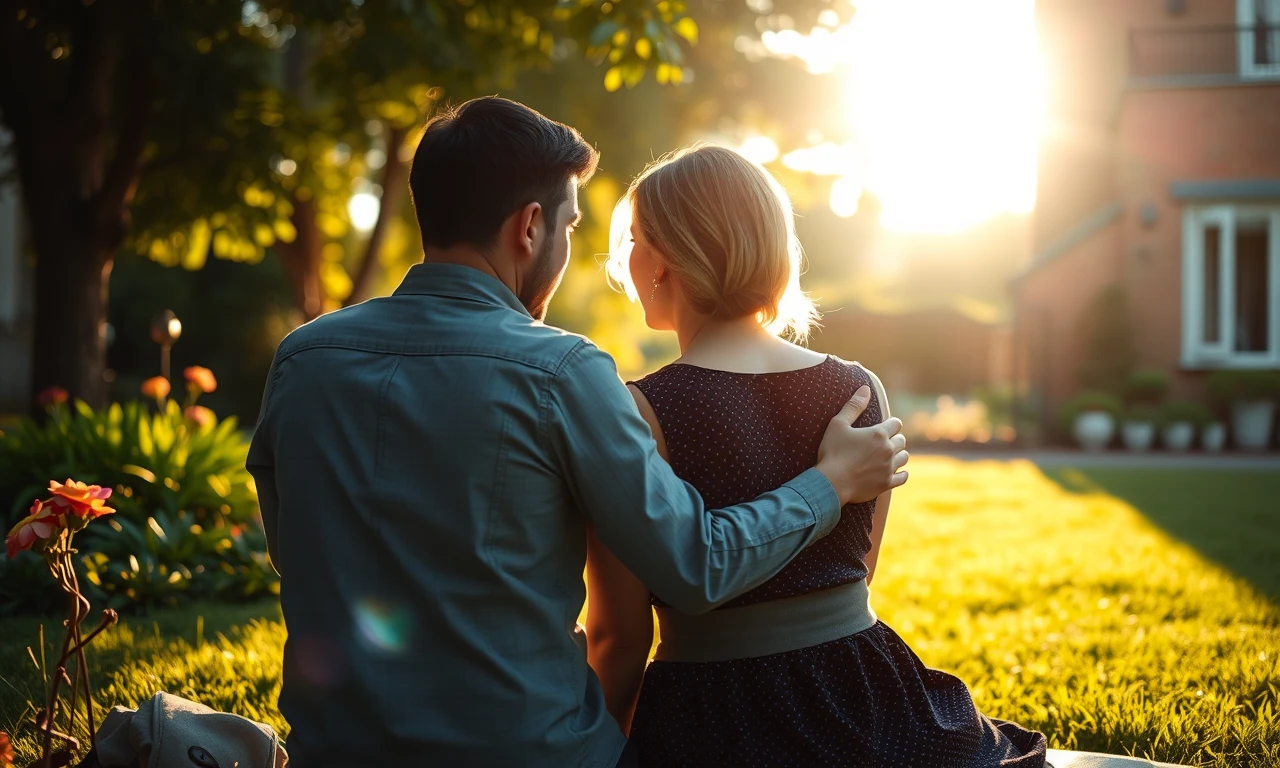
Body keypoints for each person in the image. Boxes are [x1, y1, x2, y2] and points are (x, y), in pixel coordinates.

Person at [245, 97, 909, 767]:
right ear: (530, 228)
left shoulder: (302, 358)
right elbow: (694, 567)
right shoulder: (560, 372)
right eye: (569, 228)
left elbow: (290, 548)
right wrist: (829, 485)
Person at [586, 144, 1047, 767]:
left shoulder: (640, 409)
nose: (627, 261)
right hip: (870, 700)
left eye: (635, 239)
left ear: (664, 260)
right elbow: (859, 569)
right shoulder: (858, 389)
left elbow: (620, 637)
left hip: (714, 718)